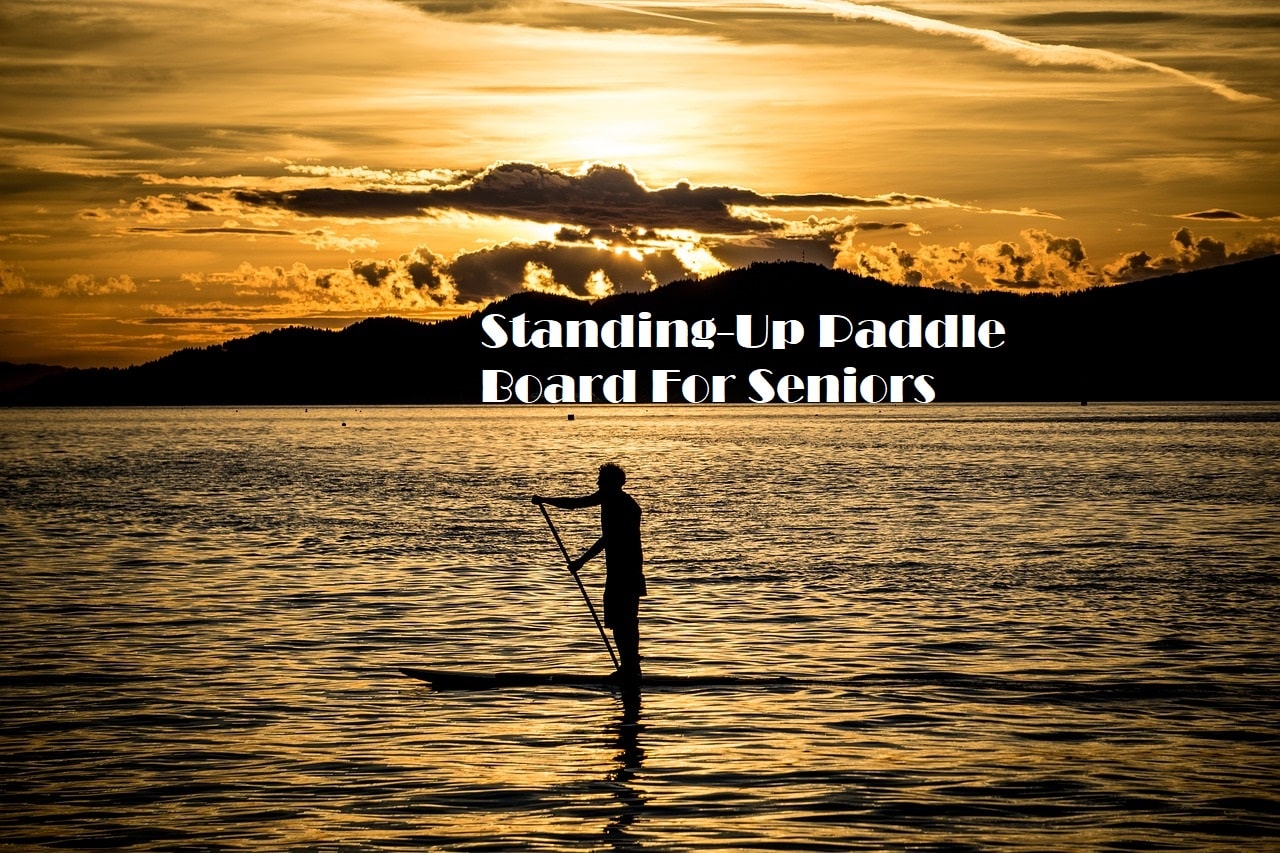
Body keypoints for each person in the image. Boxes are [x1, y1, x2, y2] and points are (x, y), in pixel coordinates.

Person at [533, 463, 645, 682]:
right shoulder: (608, 498)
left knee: (626, 620)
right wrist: (546, 501)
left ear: (614, 483)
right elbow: (576, 504)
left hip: (627, 571)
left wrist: (580, 562)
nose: (597, 483)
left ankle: (631, 668)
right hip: (617, 571)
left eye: (601, 480)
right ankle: (628, 667)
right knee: (617, 619)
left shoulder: (623, 505)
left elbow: (609, 539)